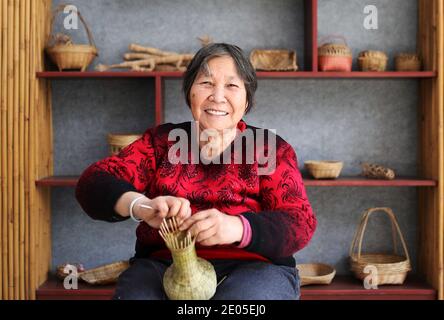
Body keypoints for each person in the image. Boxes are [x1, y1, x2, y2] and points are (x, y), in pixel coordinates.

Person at [75, 43, 317, 300]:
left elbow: (300, 221)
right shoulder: (161, 143)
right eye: (206, 83)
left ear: (247, 100)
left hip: (256, 267)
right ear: (190, 92)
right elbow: (93, 183)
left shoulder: (269, 148)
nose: (218, 96)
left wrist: (238, 228)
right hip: (164, 264)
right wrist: (142, 206)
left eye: (232, 86)